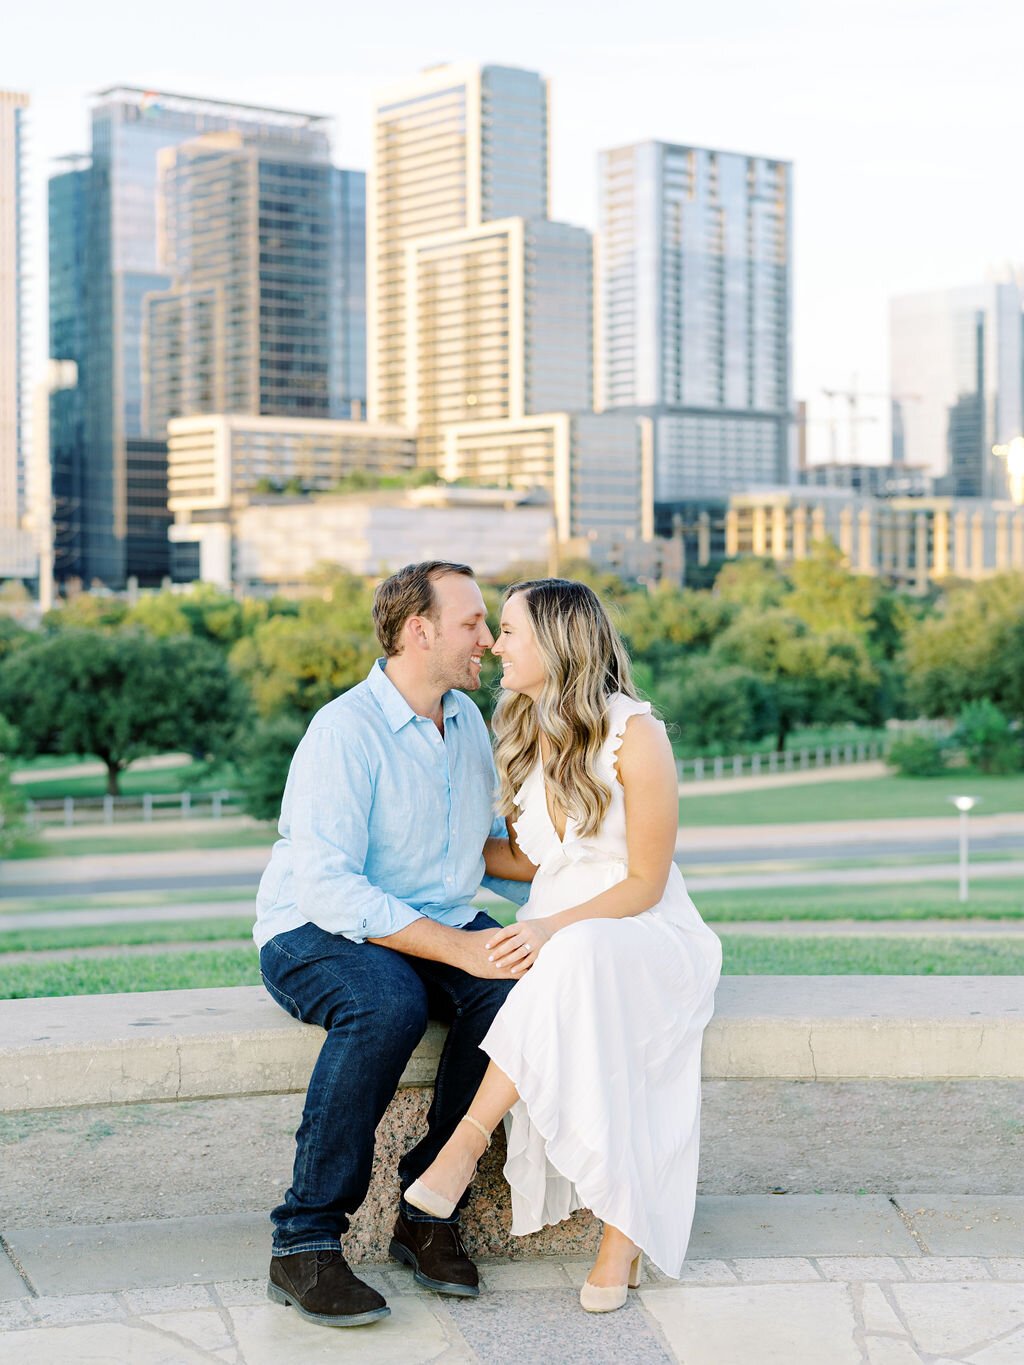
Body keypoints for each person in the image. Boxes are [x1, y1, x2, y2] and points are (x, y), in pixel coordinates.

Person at [404, 578, 722, 1312]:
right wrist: (432, 843)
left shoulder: (636, 732)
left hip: (646, 933)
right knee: (560, 968)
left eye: (508, 630)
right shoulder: (527, 727)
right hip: (569, 943)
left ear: (554, 643)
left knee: (565, 957)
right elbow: (531, 857)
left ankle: (466, 1144)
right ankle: (621, 1237)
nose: (493, 643)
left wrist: (549, 926)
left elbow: (645, 880)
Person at [254, 561, 523, 1329]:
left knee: (517, 985)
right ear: (420, 630)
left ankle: (426, 1210)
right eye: (474, 623)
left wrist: (593, 899)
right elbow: (331, 889)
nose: (490, 639)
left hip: (421, 916)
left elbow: (483, 845)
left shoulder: (466, 720)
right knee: (386, 1000)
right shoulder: (344, 731)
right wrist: (460, 947)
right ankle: (303, 1239)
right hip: (313, 926)